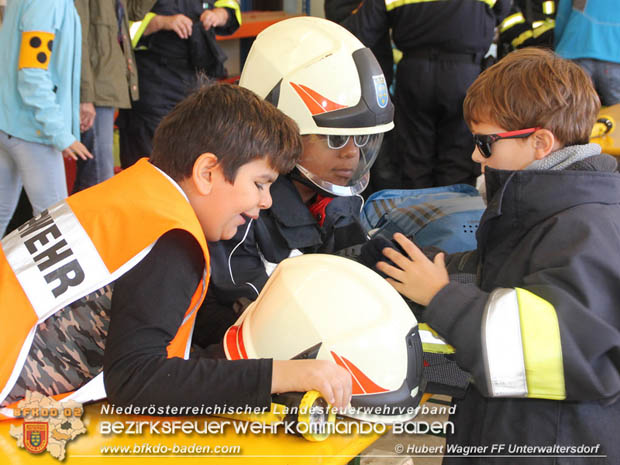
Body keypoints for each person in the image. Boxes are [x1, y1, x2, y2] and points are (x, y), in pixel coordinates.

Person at [0, 83, 352, 414]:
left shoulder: (138, 192)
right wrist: (286, 375)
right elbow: (136, 380)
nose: (266, 201)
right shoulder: (170, 238)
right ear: (206, 173)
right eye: (260, 184)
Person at [375, 48, 620, 464]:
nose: (475, 156)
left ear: (541, 142)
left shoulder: (586, 227)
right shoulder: (553, 209)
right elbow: (509, 278)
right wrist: (422, 265)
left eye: (485, 143)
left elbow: (563, 349)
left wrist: (441, 297)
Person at [196, 17, 394, 347]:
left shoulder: (336, 198)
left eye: (361, 140)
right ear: (283, 130)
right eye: (334, 139)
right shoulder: (241, 208)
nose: (352, 155)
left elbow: (354, 266)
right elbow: (253, 312)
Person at [341, 0, 510, 189]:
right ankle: (455, 210)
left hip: (414, 74)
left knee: (414, 157)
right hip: (464, 73)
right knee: (459, 156)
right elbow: (502, 11)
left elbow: (362, 29)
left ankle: (419, 212)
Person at [0, 0, 92, 238]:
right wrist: (59, 133)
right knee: (55, 227)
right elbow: (32, 75)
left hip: (10, 123)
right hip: (32, 131)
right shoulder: (48, 2)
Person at [117, 0, 240, 169]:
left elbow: (230, 6)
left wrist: (219, 15)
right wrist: (159, 22)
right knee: (150, 162)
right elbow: (116, 27)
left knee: (196, 160)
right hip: (152, 84)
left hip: (199, 81)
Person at [72, 0, 156, 192]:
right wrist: (85, 97)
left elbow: (136, 11)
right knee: (99, 176)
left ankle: (81, 220)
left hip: (108, 87)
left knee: (94, 174)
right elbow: (79, 38)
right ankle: (83, 221)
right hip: (95, 91)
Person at [554, 0, 620, 106]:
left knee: (570, 112)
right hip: (615, 56)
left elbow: (562, 17)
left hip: (574, 50)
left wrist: (557, 51)